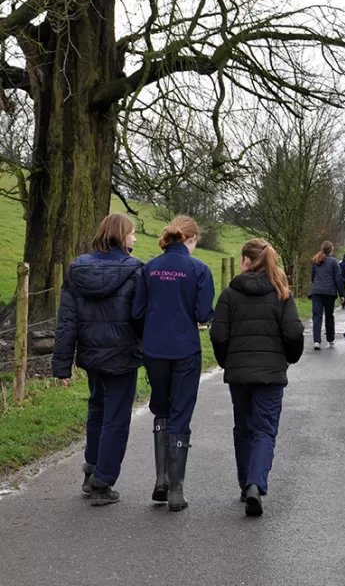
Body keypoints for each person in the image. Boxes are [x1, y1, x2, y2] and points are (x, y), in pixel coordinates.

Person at [52, 213, 143, 506]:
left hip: (91, 355)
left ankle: (91, 471)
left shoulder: (77, 270)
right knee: (116, 418)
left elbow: (67, 321)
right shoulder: (136, 271)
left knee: (97, 410)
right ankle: (103, 482)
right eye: (132, 233)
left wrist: (62, 365)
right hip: (123, 355)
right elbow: (141, 317)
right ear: (122, 236)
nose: (135, 238)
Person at [210, 239, 304, 517]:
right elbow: (293, 333)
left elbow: (218, 335)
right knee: (265, 430)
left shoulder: (230, 294)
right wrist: (289, 358)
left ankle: (245, 484)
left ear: (246, 261)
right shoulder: (282, 293)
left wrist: (227, 362)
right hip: (271, 373)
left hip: (239, 372)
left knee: (243, 428)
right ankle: (256, 483)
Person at [132, 216, 215, 512]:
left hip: (154, 349)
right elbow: (203, 313)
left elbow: (137, 312)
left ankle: (161, 479)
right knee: (181, 412)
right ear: (191, 239)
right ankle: (176, 489)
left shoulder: (149, 268)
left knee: (161, 409)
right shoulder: (199, 269)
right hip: (185, 349)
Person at [309, 241, 345, 350]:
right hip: (329, 292)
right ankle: (330, 339)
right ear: (331, 250)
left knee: (317, 315)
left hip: (316, 291)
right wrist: (341, 294)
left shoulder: (316, 260)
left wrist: (315, 286)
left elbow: (313, 276)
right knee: (329, 316)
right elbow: (338, 278)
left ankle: (316, 341)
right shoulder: (334, 262)